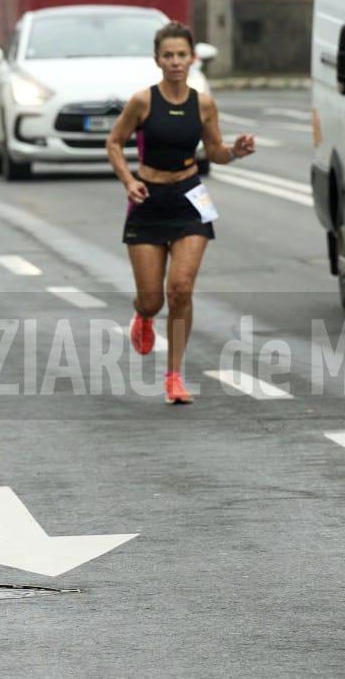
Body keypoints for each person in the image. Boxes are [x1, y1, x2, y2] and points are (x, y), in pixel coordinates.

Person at [105, 21, 255, 404]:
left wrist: (235, 150)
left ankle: (173, 375)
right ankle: (143, 316)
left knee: (181, 288)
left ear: (192, 58)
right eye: (168, 55)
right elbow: (115, 142)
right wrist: (128, 180)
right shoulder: (143, 101)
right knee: (153, 298)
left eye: (181, 55)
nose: (175, 62)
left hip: (189, 197)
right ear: (157, 59)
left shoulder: (203, 103)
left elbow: (215, 152)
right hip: (148, 200)